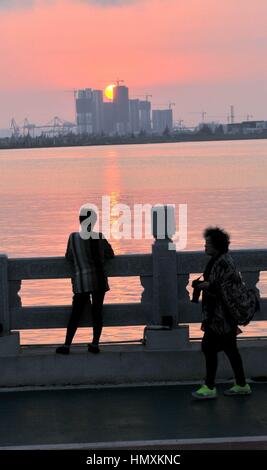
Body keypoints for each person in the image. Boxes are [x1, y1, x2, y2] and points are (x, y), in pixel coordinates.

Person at [191, 227, 251, 399]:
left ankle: (210, 387)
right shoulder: (219, 259)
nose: (205, 246)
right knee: (230, 349)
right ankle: (241, 384)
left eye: (207, 243)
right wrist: (206, 284)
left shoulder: (223, 262)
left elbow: (226, 288)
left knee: (209, 347)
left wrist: (206, 286)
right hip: (221, 315)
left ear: (216, 245)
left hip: (221, 316)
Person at [56, 208, 114, 355]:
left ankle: (67, 345)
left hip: (81, 280)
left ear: (80, 221)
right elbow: (110, 254)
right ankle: (95, 344)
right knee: (97, 312)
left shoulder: (73, 237)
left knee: (76, 313)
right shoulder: (99, 237)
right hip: (99, 280)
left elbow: (69, 256)